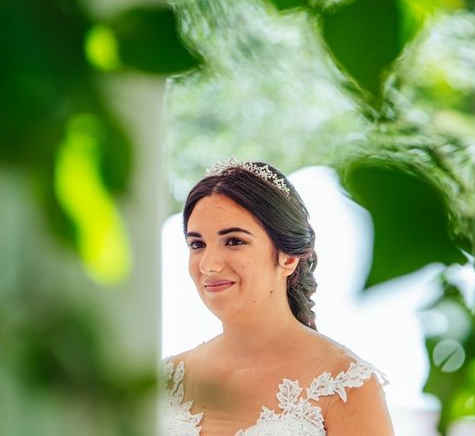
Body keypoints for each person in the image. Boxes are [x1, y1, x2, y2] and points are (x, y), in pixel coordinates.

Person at [163, 159, 394, 435]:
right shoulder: (167, 379)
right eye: (197, 244)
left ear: (288, 256)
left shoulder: (345, 385)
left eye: (234, 241)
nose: (208, 265)